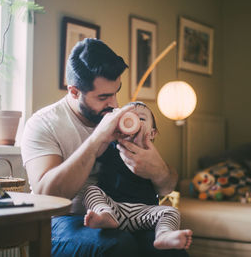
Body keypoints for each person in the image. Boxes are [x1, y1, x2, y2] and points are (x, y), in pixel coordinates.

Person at [21, 38, 187, 257]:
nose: (115, 104)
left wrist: (159, 171)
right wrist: (96, 139)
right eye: (103, 96)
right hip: (62, 221)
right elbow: (46, 195)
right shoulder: (43, 124)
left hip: (121, 214)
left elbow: (167, 187)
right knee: (118, 245)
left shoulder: (125, 119)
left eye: (116, 91)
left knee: (172, 252)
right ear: (74, 91)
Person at [83, 101, 193, 250]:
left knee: (171, 211)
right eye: (128, 117)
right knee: (91, 191)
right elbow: (93, 155)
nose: (133, 121)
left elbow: (165, 178)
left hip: (143, 212)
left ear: (152, 133)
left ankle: (163, 235)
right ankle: (104, 215)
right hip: (114, 209)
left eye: (141, 119)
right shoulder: (111, 147)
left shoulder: (152, 157)